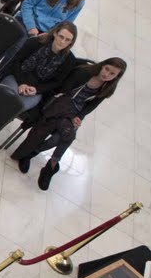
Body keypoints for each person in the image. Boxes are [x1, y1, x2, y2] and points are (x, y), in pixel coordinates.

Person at [10, 58, 126, 189]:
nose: (107, 74)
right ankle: (48, 164)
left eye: (112, 74)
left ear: (117, 77)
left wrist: (79, 117)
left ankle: (41, 159)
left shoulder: (107, 88)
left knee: (63, 136)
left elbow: (91, 106)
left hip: (73, 113)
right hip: (59, 103)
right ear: (102, 65)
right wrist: (72, 116)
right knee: (62, 132)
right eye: (107, 69)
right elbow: (63, 90)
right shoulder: (83, 73)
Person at [0, 21, 77, 115]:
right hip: (17, 77)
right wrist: (21, 82)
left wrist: (36, 90)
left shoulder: (69, 60)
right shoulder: (35, 42)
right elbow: (16, 62)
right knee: (8, 99)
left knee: (17, 107)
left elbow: (56, 82)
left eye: (67, 40)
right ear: (55, 33)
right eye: (61, 37)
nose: (62, 42)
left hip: (36, 90)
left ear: (71, 42)